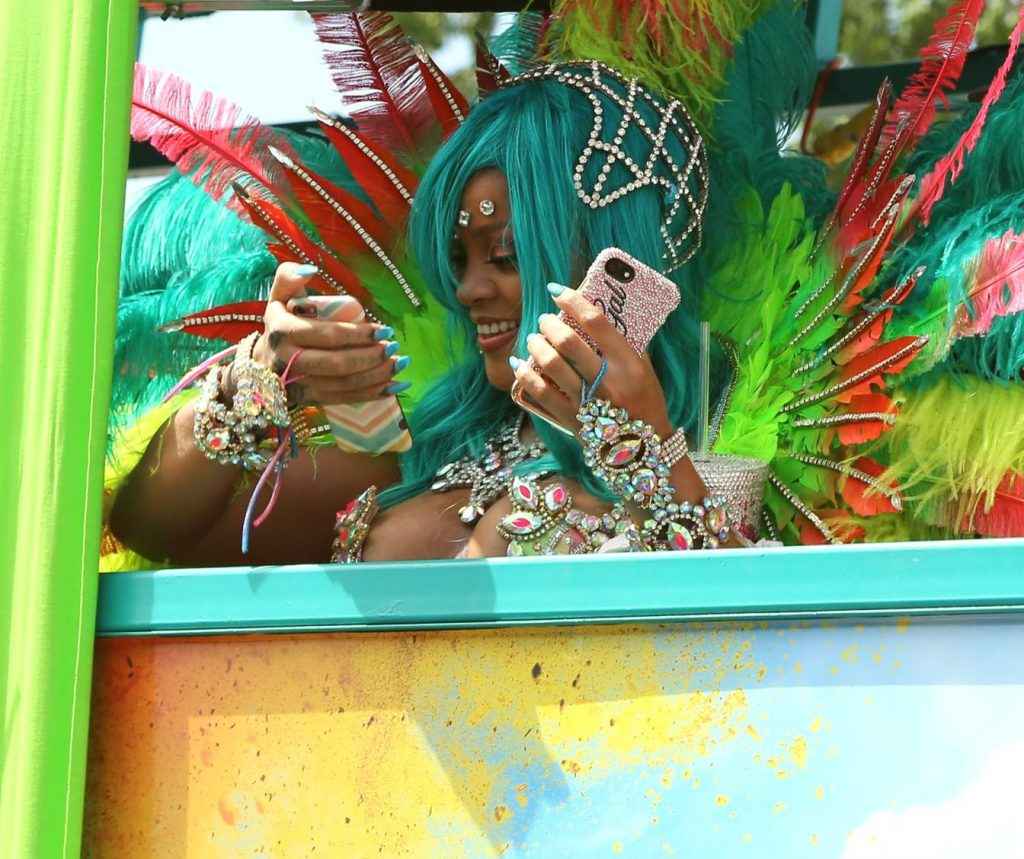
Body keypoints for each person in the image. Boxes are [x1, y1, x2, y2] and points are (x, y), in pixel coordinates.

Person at [105, 1, 1024, 570]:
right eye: (458, 260)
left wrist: (642, 452)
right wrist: (255, 381)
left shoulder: (723, 451)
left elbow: (741, 641)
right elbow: (160, 529)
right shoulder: (424, 446)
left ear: (615, 258)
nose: (470, 290)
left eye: (504, 256)